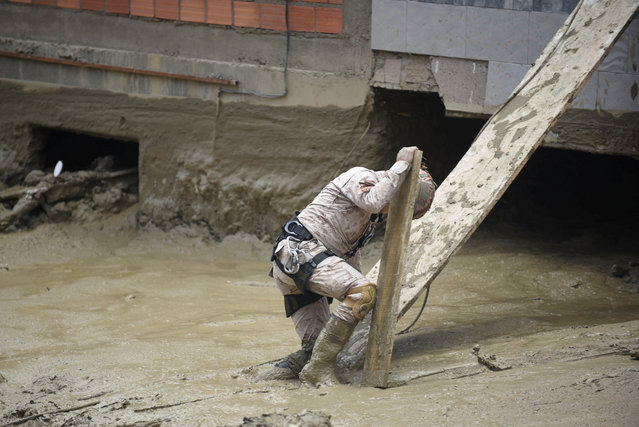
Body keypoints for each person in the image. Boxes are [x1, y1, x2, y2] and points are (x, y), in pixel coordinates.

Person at [268, 146, 435, 386]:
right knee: (363, 292)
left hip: (298, 265)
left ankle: (260, 377)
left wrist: (359, 307)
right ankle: (318, 369)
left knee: (315, 349)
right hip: (301, 254)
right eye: (394, 206)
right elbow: (375, 200)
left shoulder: (370, 216)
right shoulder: (361, 177)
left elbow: (348, 254)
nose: (390, 211)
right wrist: (402, 165)